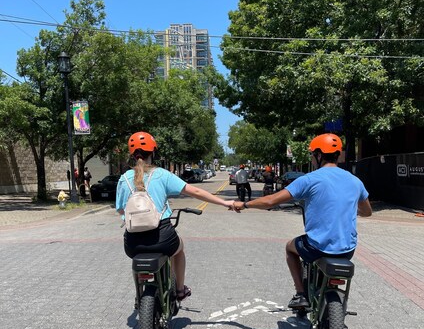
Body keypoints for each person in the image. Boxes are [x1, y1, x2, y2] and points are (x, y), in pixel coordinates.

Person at [233, 133, 372, 309]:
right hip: (347, 250)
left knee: (290, 248)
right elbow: (367, 212)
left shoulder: (309, 179)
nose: (313, 159)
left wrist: (244, 204)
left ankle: (300, 295)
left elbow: (270, 201)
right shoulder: (355, 181)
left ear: (319, 155)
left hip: (316, 247)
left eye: (313, 155)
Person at [116, 131, 235, 302]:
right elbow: (195, 191)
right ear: (153, 152)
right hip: (162, 237)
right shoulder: (162, 174)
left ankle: (139, 294)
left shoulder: (123, 179)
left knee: (137, 255)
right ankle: (180, 290)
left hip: (133, 243)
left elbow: (121, 210)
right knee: (179, 249)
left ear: (132, 155)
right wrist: (225, 203)